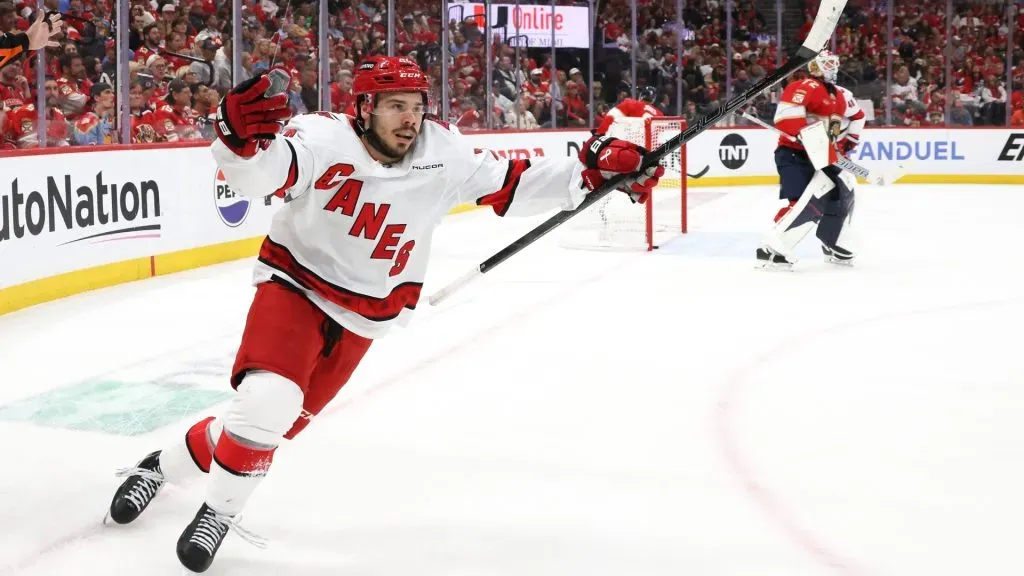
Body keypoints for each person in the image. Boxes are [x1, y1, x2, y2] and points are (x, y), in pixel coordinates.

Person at [105, 56, 664, 574]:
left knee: (270, 426)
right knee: (267, 403)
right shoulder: (321, 137)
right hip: (296, 285)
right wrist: (237, 145)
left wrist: (593, 174)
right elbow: (262, 175)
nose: (411, 118)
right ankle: (220, 513)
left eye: (417, 106)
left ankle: (157, 467)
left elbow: (513, 182)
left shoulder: (443, 151)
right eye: (396, 105)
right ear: (364, 107)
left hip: (365, 315)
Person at [757, 50, 860, 269]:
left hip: (821, 156)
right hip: (795, 155)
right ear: (815, 66)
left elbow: (858, 116)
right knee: (804, 203)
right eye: (828, 63)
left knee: (843, 190)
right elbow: (785, 118)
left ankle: (833, 242)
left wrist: (847, 142)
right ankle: (772, 249)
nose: (833, 67)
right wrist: (806, 136)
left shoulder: (841, 94)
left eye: (834, 63)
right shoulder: (804, 86)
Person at [595, 85, 662, 135]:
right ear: (653, 99)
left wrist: (599, 133)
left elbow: (610, 117)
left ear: (640, 95)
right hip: (651, 146)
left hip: (630, 143)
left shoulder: (630, 103)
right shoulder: (659, 114)